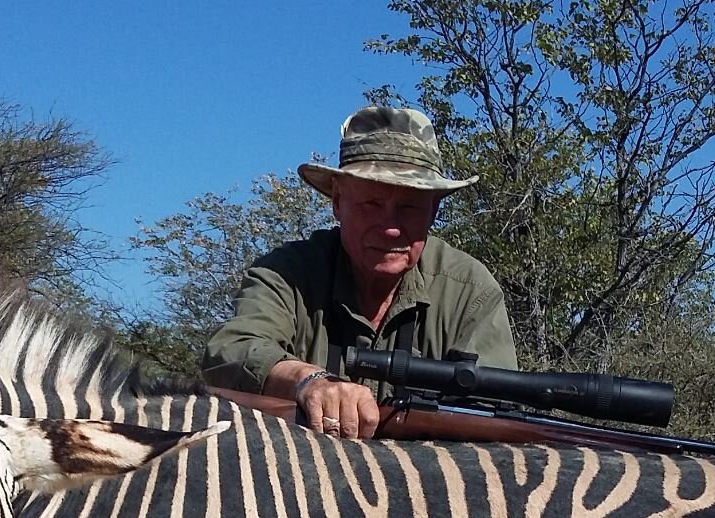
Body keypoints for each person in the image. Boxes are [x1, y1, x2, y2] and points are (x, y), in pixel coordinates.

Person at [200, 105, 518, 440]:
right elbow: (230, 352)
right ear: (338, 201)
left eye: (409, 207)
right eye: (372, 205)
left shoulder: (469, 290)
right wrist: (310, 381)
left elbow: (494, 415)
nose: (391, 228)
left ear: (434, 210)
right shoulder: (285, 273)